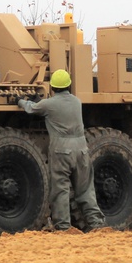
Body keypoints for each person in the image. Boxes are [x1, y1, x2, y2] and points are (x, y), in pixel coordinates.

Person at [16, 69, 105, 232]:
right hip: (81, 148)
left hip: (61, 150)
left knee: (60, 189)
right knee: (85, 189)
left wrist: (20, 100)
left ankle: (63, 227)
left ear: (52, 87)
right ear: (69, 85)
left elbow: (31, 109)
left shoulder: (48, 104)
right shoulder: (77, 101)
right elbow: (58, 106)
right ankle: (96, 224)